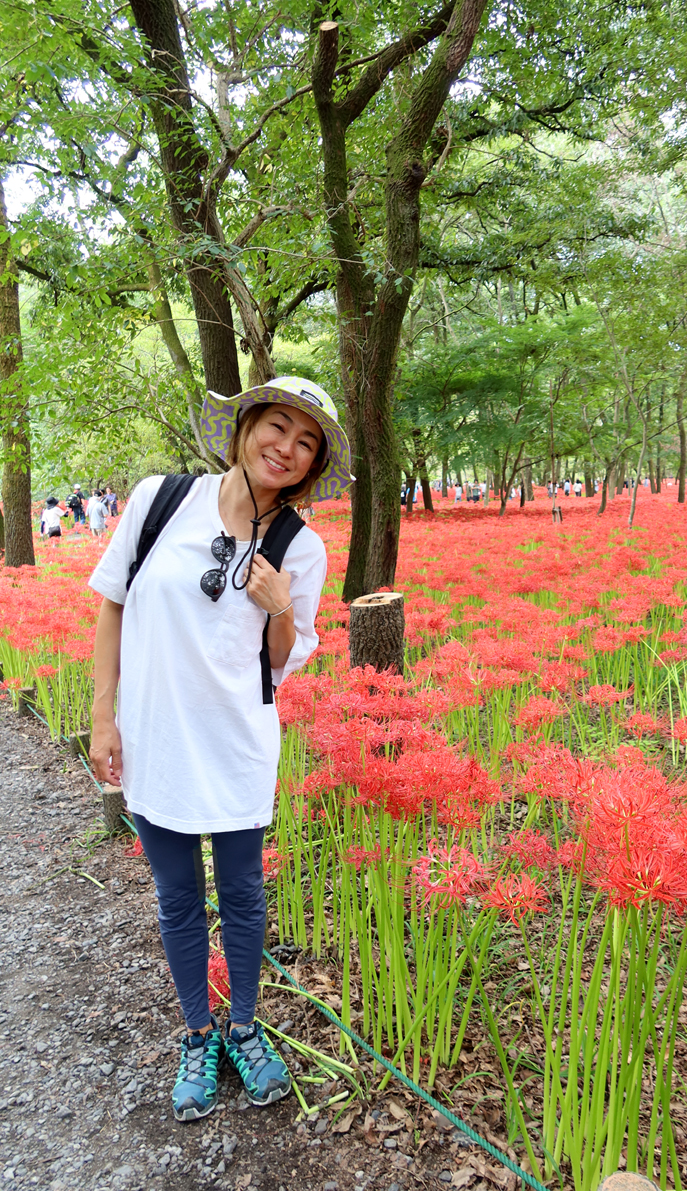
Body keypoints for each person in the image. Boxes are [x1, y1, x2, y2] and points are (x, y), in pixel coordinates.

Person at [88, 376, 353, 1123]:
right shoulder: (161, 499)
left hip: (237, 741)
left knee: (240, 894)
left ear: (312, 465)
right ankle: (197, 1034)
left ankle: (244, 1025)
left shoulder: (303, 547)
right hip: (156, 734)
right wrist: (103, 718)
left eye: (307, 444)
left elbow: (277, 661)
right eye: (276, 427)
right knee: (177, 898)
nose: (288, 449)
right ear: (242, 429)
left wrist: (278, 608)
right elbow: (112, 605)